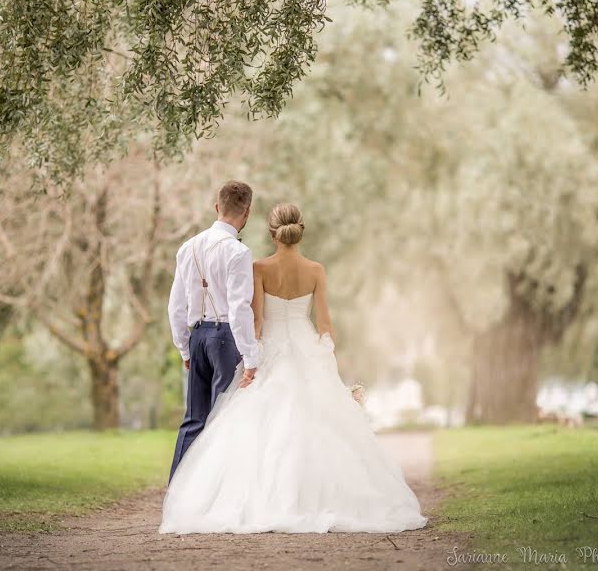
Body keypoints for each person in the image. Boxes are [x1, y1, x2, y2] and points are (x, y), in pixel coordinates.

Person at [160, 202, 427, 534]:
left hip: (270, 347)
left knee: (253, 423)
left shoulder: (258, 268)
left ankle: (253, 499)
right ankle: (320, 497)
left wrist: (250, 360)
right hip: (306, 345)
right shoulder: (316, 270)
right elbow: (325, 323)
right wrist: (324, 357)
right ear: (300, 231)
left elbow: (255, 321)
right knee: (319, 424)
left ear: (272, 233)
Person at [166, 180, 258, 481]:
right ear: (247, 213)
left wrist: (184, 347)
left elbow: (175, 306)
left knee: (193, 418)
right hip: (225, 338)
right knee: (224, 418)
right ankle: (216, 492)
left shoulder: (187, 247)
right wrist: (251, 357)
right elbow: (239, 308)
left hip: (198, 336)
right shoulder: (238, 253)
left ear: (217, 207)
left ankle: (178, 492)